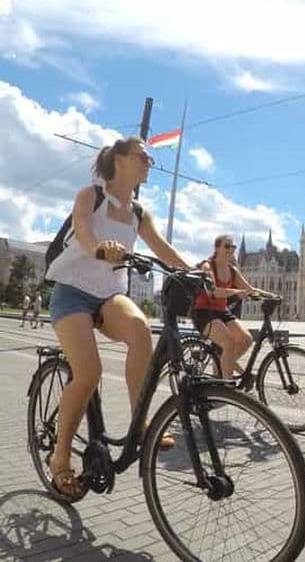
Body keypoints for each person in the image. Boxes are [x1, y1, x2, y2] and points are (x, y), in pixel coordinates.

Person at [44, 137, 192, 498]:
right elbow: (82, 228)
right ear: (120, 160)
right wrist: (99, 248)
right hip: (72, 292)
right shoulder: (91, 195)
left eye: (150, 158)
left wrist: (194, 272)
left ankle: (139, 424)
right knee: (89, 372)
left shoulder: (139, 212)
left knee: (141, 329)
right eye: (144, 156)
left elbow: (161, 248)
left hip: (109, 294)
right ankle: (60, 459)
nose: (150, 162)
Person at [193, 235, 272, 379]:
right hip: (205, 312)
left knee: (246, 339)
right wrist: (236, 292)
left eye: (233, 247)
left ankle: (222, 361)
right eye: (227, 246)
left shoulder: (233, 270)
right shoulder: (208, 266)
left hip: (222, 311)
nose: (231, 250)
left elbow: (249, 289)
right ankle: (226, 386)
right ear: (217, 248)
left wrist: (271, 296)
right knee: (228, 342)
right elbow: (213, 291)